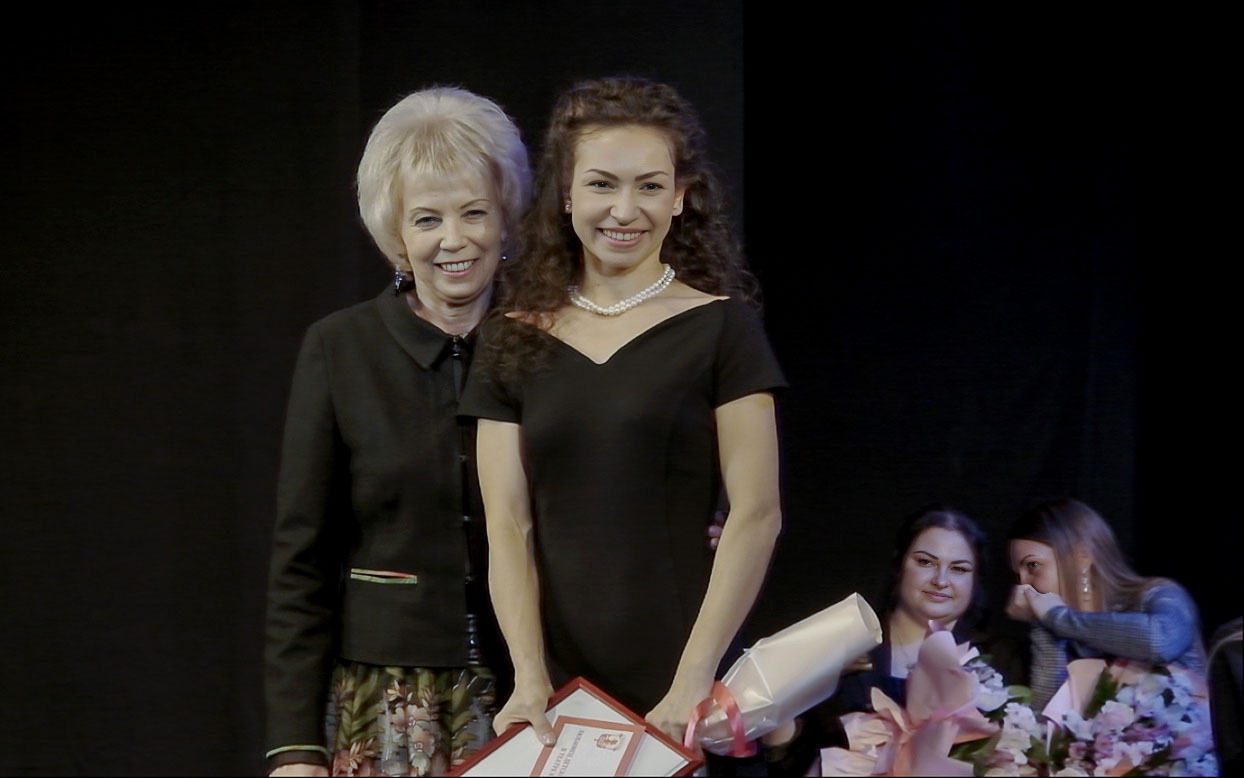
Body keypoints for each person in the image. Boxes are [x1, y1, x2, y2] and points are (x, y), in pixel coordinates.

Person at [457, 76, 786, 746]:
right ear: (567, 193)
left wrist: (692, 681)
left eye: (650, 185)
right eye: (602, 184)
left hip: (682, 683)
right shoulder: (511, 336)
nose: (625, 209)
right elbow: (508, 524)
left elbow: (756, 514)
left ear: (680, 196)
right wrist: (529, 677)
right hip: (559, 691)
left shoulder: (722, 329)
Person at [263, 86, 531, 777]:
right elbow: (302, 559)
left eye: (475, 212)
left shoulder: (552, 341)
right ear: (396, 233)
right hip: (386, 702)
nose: (454, 239)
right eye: (427, 218)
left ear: (506, 218)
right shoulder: (339, 348)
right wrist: (295, 747)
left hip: (534, 687)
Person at [765, 505, 1024, 774]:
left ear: (976, 580)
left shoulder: (1002, 660)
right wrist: (793, 691)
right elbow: (786, 760)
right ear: (900, 564)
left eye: (959, 569)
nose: (941, 580)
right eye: (925, 562)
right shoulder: (845, 646)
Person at [1006, 497, 1208, 708]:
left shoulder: (1158, 595)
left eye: (1032, 565)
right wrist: (1041, 623)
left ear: (1082, 557)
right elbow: (1047, 713)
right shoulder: (1059, 627)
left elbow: (1159, 641)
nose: (1023, 585)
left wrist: (1055, 617)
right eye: (1017, 574)